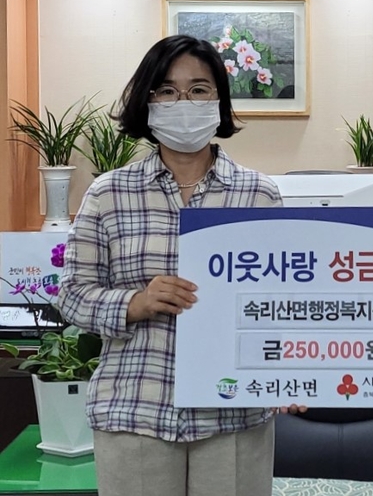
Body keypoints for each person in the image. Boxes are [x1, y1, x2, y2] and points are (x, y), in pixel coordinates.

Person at [58, 34, 284, 496]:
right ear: (147, 102)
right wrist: (135, 303)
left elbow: (282, 300)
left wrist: (294, 372)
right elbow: (72, 294)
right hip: (135, 410)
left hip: (232, 414)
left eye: (199, 89)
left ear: (219, 101)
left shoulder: (258, 194)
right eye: (166, 90)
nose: (183, 102)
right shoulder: (108, 193)